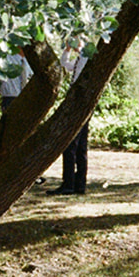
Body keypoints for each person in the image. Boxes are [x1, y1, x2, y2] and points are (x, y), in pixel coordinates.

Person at [51, 43, 90, 195]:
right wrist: (67, 50)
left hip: (79, 101)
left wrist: (77, 47)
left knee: (71, 144)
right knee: (80, 146)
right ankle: (78, 184)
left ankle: (70, 184)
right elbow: (64, 65)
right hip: (80, 101)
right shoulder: (80, 58)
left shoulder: (86, 58)